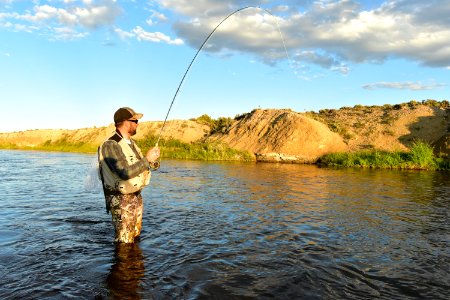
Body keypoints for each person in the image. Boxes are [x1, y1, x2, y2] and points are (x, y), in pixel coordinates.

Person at [98, 107, 160, 243]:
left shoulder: (132, 143)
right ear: (126, 122)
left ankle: (135, 264)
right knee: (124, 242)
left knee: (135, 237)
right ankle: (122, 264)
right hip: (120, 199)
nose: (138, 124)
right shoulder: (111, 144)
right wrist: (147, 160)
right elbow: (124, 172)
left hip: (135, 195)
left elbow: (140, 166)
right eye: (135, 120)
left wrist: (153, 161)